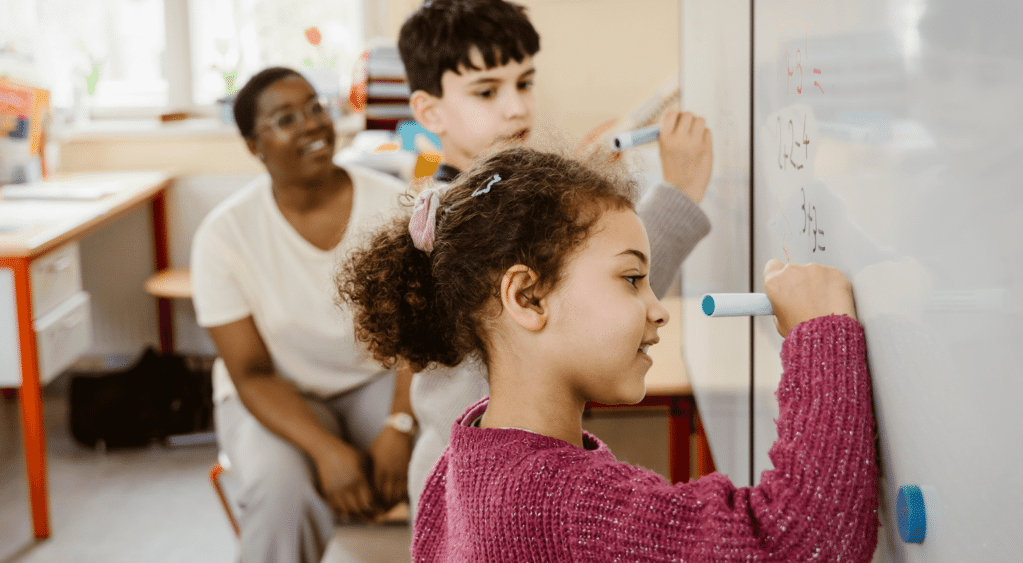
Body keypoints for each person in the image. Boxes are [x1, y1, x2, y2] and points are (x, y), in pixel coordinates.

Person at [337, 146, 879, 561]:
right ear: (527, 297)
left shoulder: (463, 459)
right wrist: (820, 333)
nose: (657, 308)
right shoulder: (564, 503)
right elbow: (808, 543)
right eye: (631, 278)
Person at [397, 0, 715, 514]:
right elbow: (606, 293)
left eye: (524, 83)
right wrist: (679, 192)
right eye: (487, 91)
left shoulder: (478, 196)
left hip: (478, 466)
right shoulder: (465, 221)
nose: (516, 108)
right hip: (468, 479)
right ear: (429, 112)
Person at [190, 67, 417, 563]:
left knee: (441, 463)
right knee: (280, 492)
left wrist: (400, 425)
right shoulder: (223, 236)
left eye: (315, 107)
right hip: (276, 393)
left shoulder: (397, 206)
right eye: (286, 118)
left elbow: (417, 337)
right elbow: (249, 373)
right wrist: (327, 451)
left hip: (377, 383)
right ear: (255, 145)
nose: (312, 124)